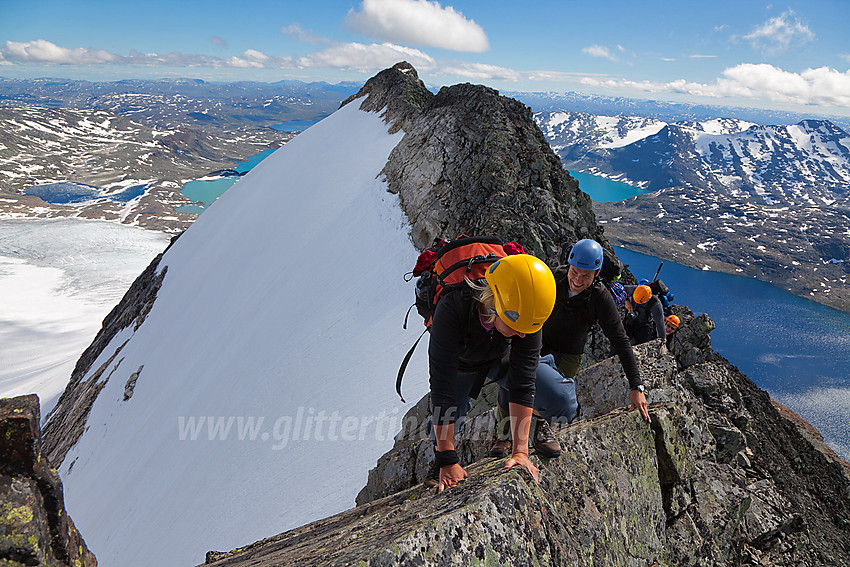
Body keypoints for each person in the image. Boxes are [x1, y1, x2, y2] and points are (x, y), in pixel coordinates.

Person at [489, 240, 651, 463]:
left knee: (558, 393)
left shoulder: (600, 297)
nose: (577, 280)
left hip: (568, 353)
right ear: (568, 266)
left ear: (597, 273)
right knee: (513, 378)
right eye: (574, 272)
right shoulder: (553, 278)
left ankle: (541, 426)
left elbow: (620, 339)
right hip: (537, 340)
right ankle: (504, 434)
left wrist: (636, 386)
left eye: (586, 276)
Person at [426, 253, 557, 492]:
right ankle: (440, 455)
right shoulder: (453, 307)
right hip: (462, 365)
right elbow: (442, 388)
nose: (523, 336)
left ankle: (534, 424)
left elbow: (524, 381)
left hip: (500, 358)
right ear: (496, 305)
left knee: (559, 399)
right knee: (445, 421)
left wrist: (520, 452)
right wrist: (447, 459)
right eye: (517, 328)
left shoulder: (526, 311)